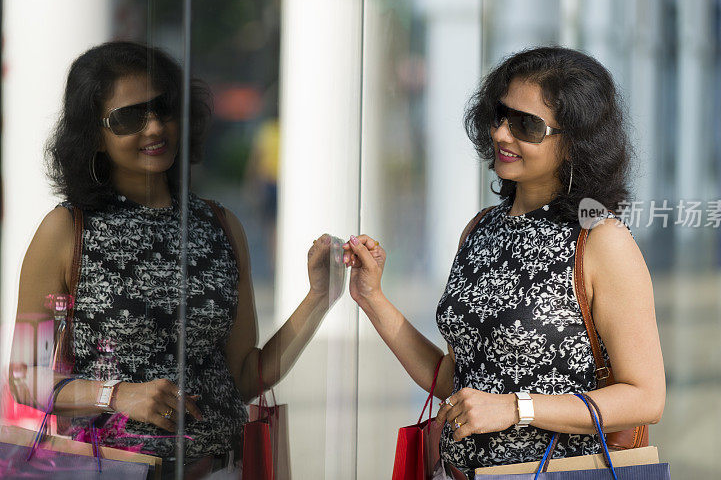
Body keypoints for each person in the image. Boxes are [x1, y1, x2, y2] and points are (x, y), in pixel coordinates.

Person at [9, 41, 341, 476]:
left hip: (222, 469)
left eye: (163, 108)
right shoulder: (67, 229)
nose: (154, 127)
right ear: (93, 134)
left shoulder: (219, 224)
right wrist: (116, 394)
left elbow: (244, 378)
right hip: (114, 470)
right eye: (129, 117)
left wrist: (319, 296)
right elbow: (23, 377)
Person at [343, 47, 666, 477]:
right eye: (500, 114)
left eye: (526, 125)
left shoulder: (601, 241)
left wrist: (518, 408)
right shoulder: (480, 229)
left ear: (574, 145)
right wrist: (372, 298)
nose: (500, 133)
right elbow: (456, 380)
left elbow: (646, 398)